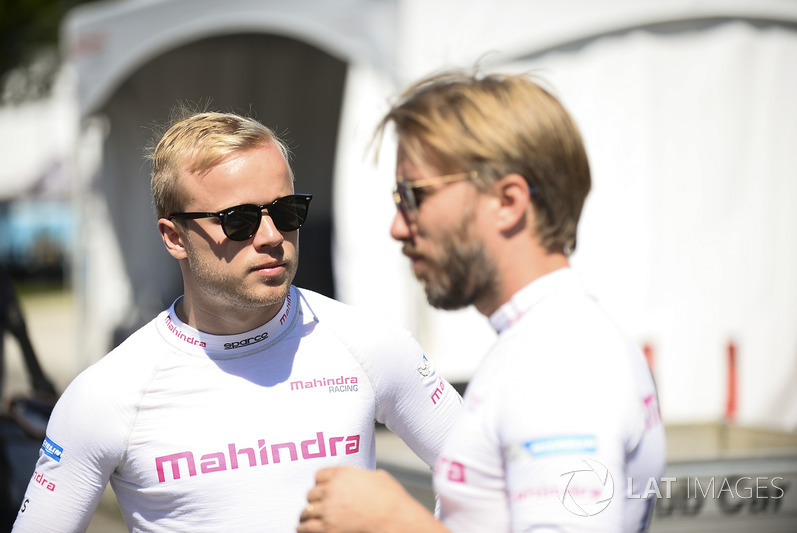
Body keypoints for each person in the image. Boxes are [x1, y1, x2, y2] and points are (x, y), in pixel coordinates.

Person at [12, 110, 462, 532]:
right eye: (239, 220)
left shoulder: (368, 344)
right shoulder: (108, 394)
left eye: (286, 212)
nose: (271, 237)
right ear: (174, 237)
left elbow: (489, 482)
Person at [297, 70, 666, 532]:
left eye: (414, 196)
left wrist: (392, 521)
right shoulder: (543, 340)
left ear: (508, 201)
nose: (397, 225)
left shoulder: (560, 362)